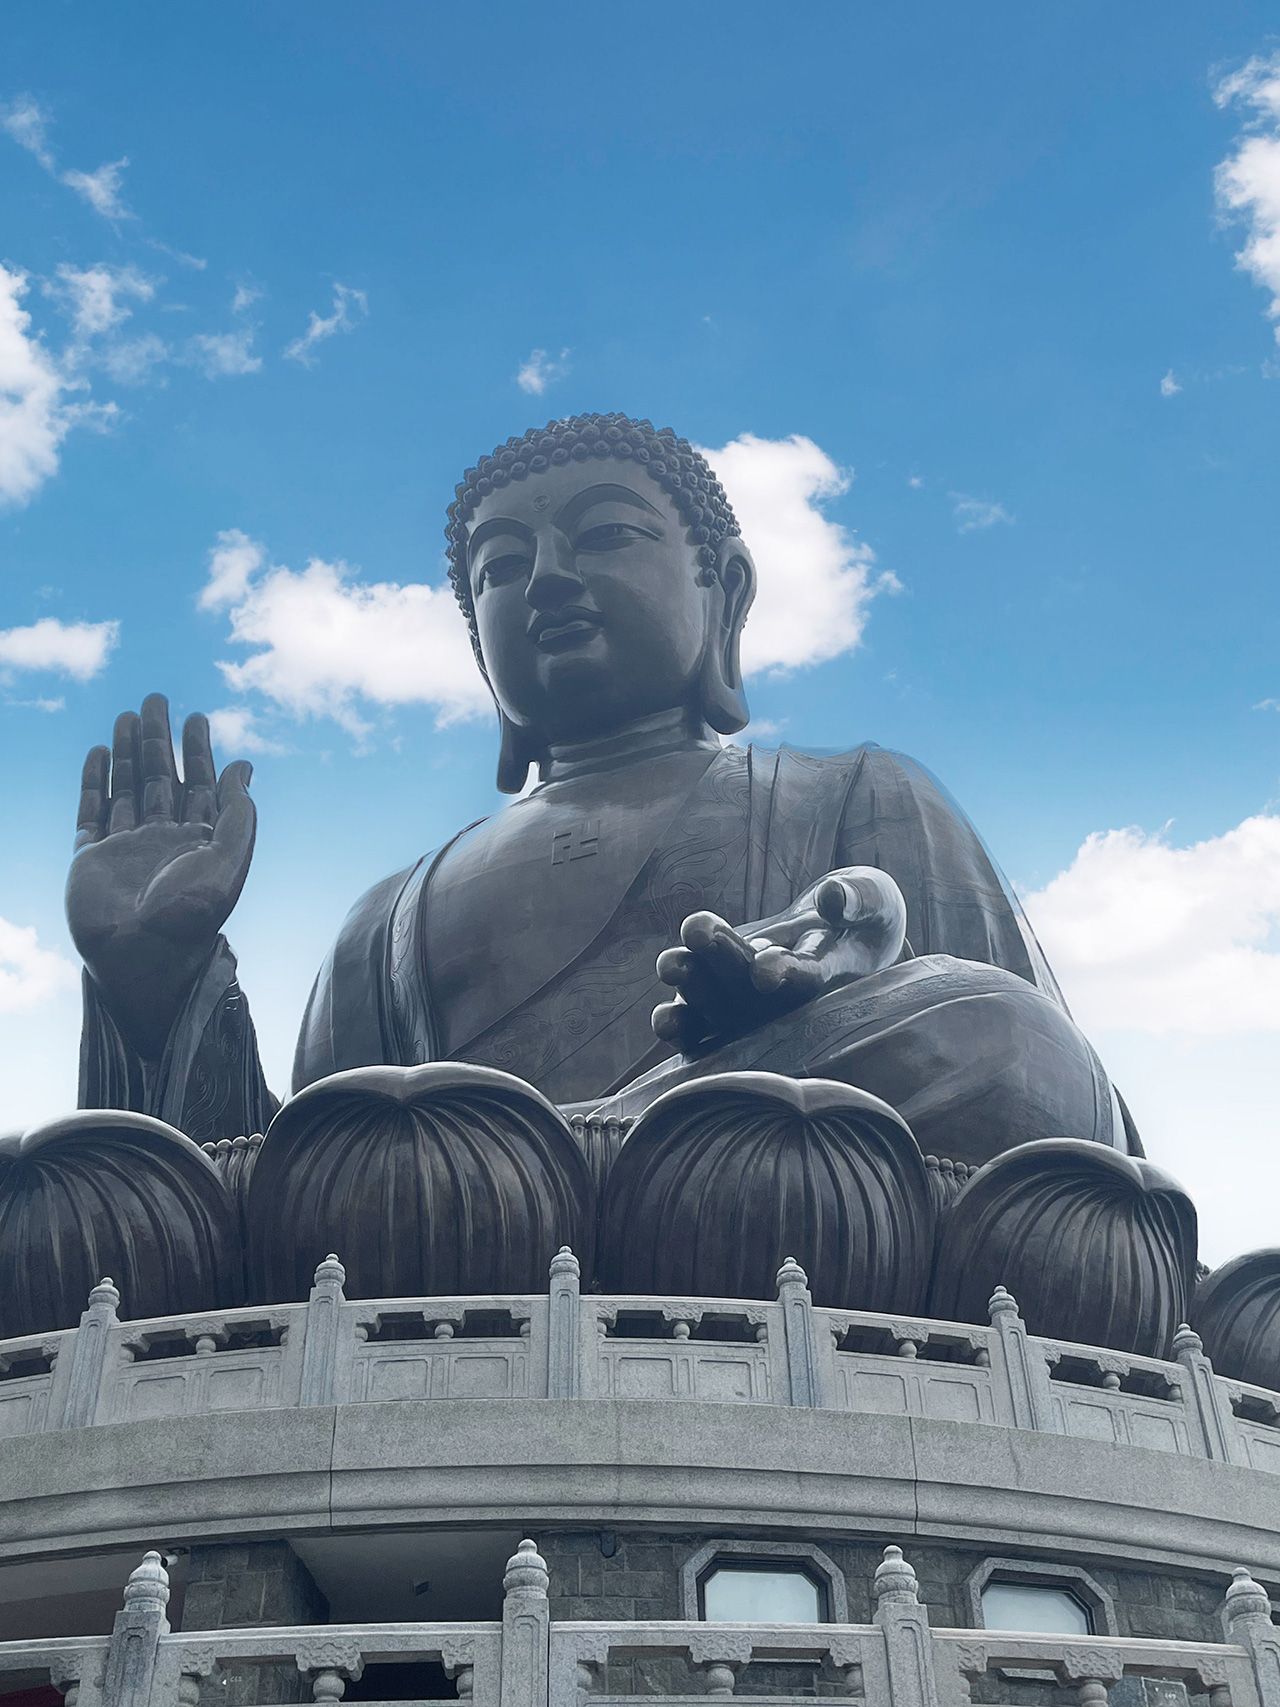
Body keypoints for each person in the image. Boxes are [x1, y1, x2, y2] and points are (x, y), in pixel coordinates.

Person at [67, 413, 1134, 1164]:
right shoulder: (383, 920)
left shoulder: (854, 793)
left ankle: (614, 1158)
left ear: (723, 591)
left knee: (1000, 1033)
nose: (546, 579)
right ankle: (589, 1168)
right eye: (499, 565)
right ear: (478, 646)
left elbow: (1049, 1111)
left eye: (606, 535)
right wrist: (155, 985)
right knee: (139, 1184)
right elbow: (282, 1166)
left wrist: (796, 1022)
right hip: (454, 1212)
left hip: (757, 1170)